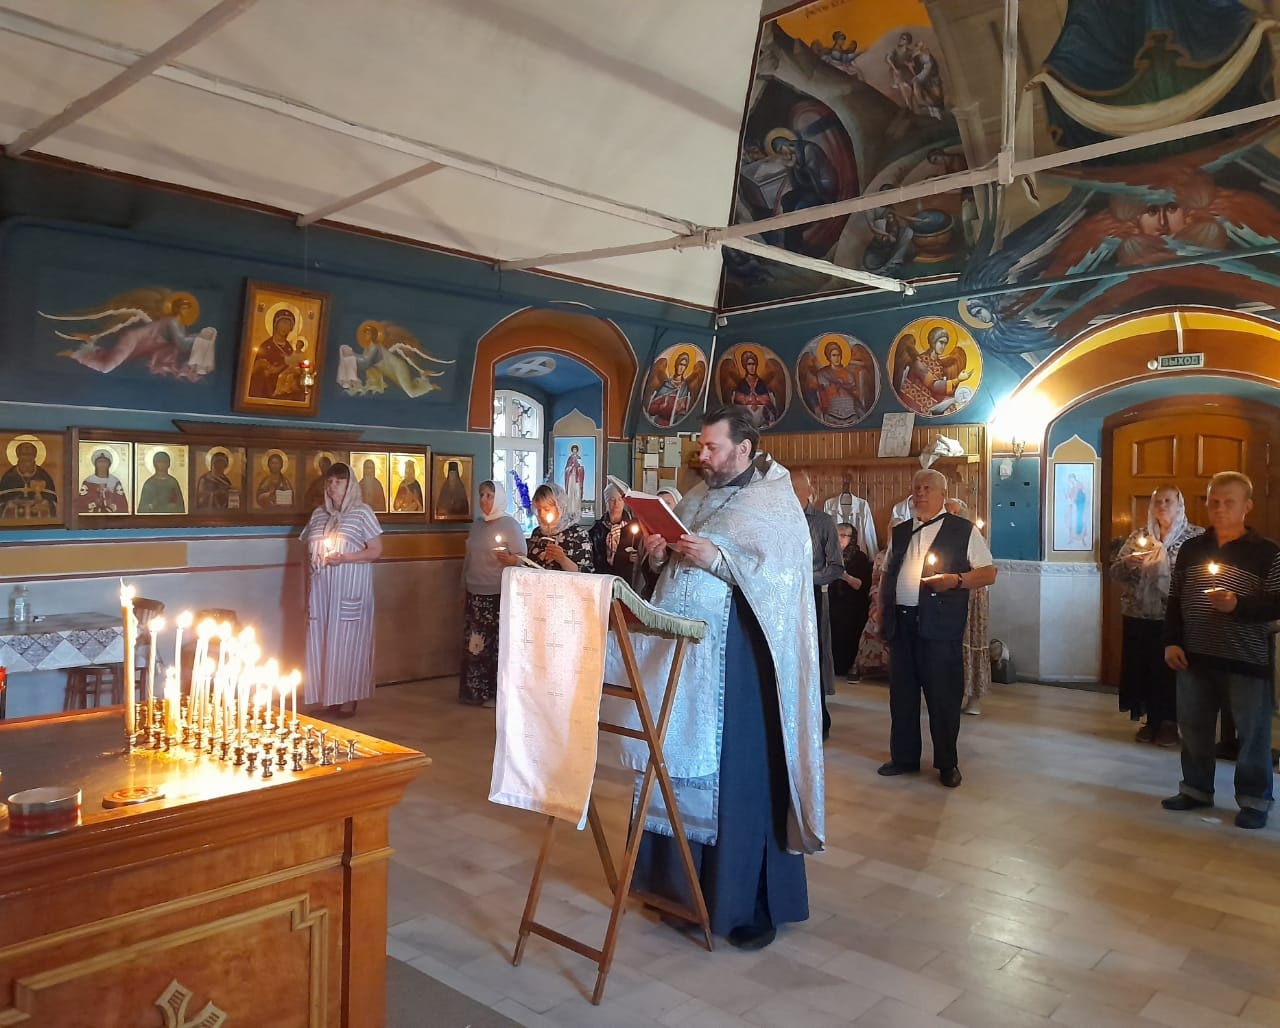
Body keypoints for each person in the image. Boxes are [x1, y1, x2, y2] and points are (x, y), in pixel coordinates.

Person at [630, 405, 823, 951]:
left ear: (744, 448)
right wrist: (658, 553)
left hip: (738, 664)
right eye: (702, 446)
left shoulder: (773, 500)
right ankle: (678, 891)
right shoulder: (697, 493)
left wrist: (718, 558)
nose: (703, 456)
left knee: (738, 774)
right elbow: (673, 565)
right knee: (676, 765)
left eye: (712, 447)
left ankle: (742, 902)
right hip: (683, 661)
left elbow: (783, 578)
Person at [1162, 471, 1280, 830]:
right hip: (1195, 655)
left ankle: (1254, 799)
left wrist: (1238, 606)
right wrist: (1171, 640)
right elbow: (1176, 598)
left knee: (1252, 733)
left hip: (1246, 657)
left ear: (1247, 506)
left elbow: (1277, 603)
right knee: (1194, 727)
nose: (1220, 509)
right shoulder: (1192, 548)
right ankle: (1196, 789)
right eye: (1214, 502)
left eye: (1229, 502)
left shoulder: (1267, 552)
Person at [877, 469, 997, 788]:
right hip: (902, 624)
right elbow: (888, 574)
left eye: (927, 488)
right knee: (902, 696)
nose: (920, 493)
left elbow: (988, 573)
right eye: (916, 488)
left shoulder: (962, 530)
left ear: (943, 494)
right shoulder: (901, 531)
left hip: (940, 627)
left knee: (943, 696)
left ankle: (947, 763)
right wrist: (882, 613)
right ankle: (904, 758)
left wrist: (955, 580)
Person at [1110, 486, 1203, 743]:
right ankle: (1151, 720)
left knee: (1170, 671)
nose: (1162, 505)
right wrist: (1127, 564)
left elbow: (1200, 576)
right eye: (1157, 501)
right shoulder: (1140, 536)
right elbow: (1115, 573)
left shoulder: (1195, 538)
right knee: (1144, 668)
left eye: (1168, 501)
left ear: (1179, 504)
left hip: (1175, 617)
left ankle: (1171, 722)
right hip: (1139, 614)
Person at [300, 461, 382, 718]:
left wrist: (346, 558)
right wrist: (305, 591)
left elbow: (376, 550)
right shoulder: (318, 515)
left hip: (349, 588)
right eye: (330, 481)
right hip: (321, 591)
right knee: (322, 642)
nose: (332, 486)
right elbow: (307, 553)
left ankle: (348, 699)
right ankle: (327, 698)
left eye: (339, 482)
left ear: (350, 485)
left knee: (347, 644)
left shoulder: (362, 512)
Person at [459, 480, 525, 707]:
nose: (484, 500)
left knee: (494, 646)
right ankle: (473, 692)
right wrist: (463, 586)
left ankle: (494, 695)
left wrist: (511, 559)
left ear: (498, 499)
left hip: (497, 593)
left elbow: (522, 558)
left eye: (489, 495)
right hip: (474, 592)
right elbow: (469, 559)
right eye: (482, 494)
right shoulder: (477, 526)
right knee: (474, 645)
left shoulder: (510, 525)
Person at [791, 468, 844, 740]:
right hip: (780, 596)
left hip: (810, 594)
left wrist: (805, 578)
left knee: (812, 656)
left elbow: (836, 566)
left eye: (793, 489)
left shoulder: (823, 522)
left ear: (807, 492)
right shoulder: (776, 519)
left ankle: (818, 720)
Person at [945, 498, 993, 716]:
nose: (950, 516)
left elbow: (985, 569)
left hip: (972, 598)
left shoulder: (970, 534)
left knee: (972, 644)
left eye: (954, 512)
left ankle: (974, 698)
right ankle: (951, 696)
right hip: (949, 596)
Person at [829, 523, 873, 679]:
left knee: (846, 629)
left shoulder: (859, 557)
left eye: (843, 535)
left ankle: (845, 666)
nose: (839, 539)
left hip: (852, 603)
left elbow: (860, 585)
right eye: (836, 535)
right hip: (831, 601)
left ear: (852, 538)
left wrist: (844, 576)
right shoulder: (829, 554)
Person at [527, 483, 594, 572]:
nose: (542, 514)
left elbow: (586, 573)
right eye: (539, 510)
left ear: (560, 507)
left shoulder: (578, 535)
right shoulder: (537, 533)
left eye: (547, 509)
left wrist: (562, 560)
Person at [589, 480, 641, 582]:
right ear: (606, 502)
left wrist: (635, 557)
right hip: (603, 579)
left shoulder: (635, 526)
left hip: (627, 580)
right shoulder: (597, 529)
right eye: (612, 500)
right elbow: (594, 558)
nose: (616, 504)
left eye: (620, 499)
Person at [248, 308, 303, 401]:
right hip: (267, 389)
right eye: (283, 323)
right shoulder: (266, 346)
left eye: (288, 324)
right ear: (275, 324)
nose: (285, 327)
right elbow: (257, 371)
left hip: (286, 389)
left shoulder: (289, 348)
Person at [0, 439, 58, 519]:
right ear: (18, 456)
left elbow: (52, 500)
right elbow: (2, 500)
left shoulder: (43, 475)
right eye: (23, 454)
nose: (27, 458)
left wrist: (43, 502)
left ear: (35, 456)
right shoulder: (9, 476)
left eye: (30, 454)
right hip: (14, 517)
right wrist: (12, 503)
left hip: (39, 518)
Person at [730, 350, 780, 430]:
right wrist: (749, 400)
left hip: (761, 417)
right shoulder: (742, 384)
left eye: (754, 364)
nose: (752, 367)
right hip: (746, 417)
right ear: (745, 366)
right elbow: (738, 401)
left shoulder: (761, 383)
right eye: (749, 364)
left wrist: (759, 400)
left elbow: (767, 400)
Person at [76, 449, 129, 514]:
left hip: (112, 517)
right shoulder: (89, 481)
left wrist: (112, 505)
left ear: (109, 464)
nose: (102, 464)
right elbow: (81, 504)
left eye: (105, 462)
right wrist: (95, 503)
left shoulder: (114, 481)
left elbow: (122, 504)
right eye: (100, 462)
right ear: (95, 464)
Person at [562, 445, 585, 515]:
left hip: (577, 479)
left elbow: (581, 468)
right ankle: (570, 510)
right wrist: (570, 467)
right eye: (573, 449)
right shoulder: (570, 458)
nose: (574, 451)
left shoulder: (579, 458)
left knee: (577, 493)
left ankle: (576, 510)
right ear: (572, 450)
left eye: (576, 449)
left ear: (577, 450)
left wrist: (580, 468)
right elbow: (566, 469)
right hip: (571, 478)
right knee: (570, 493)